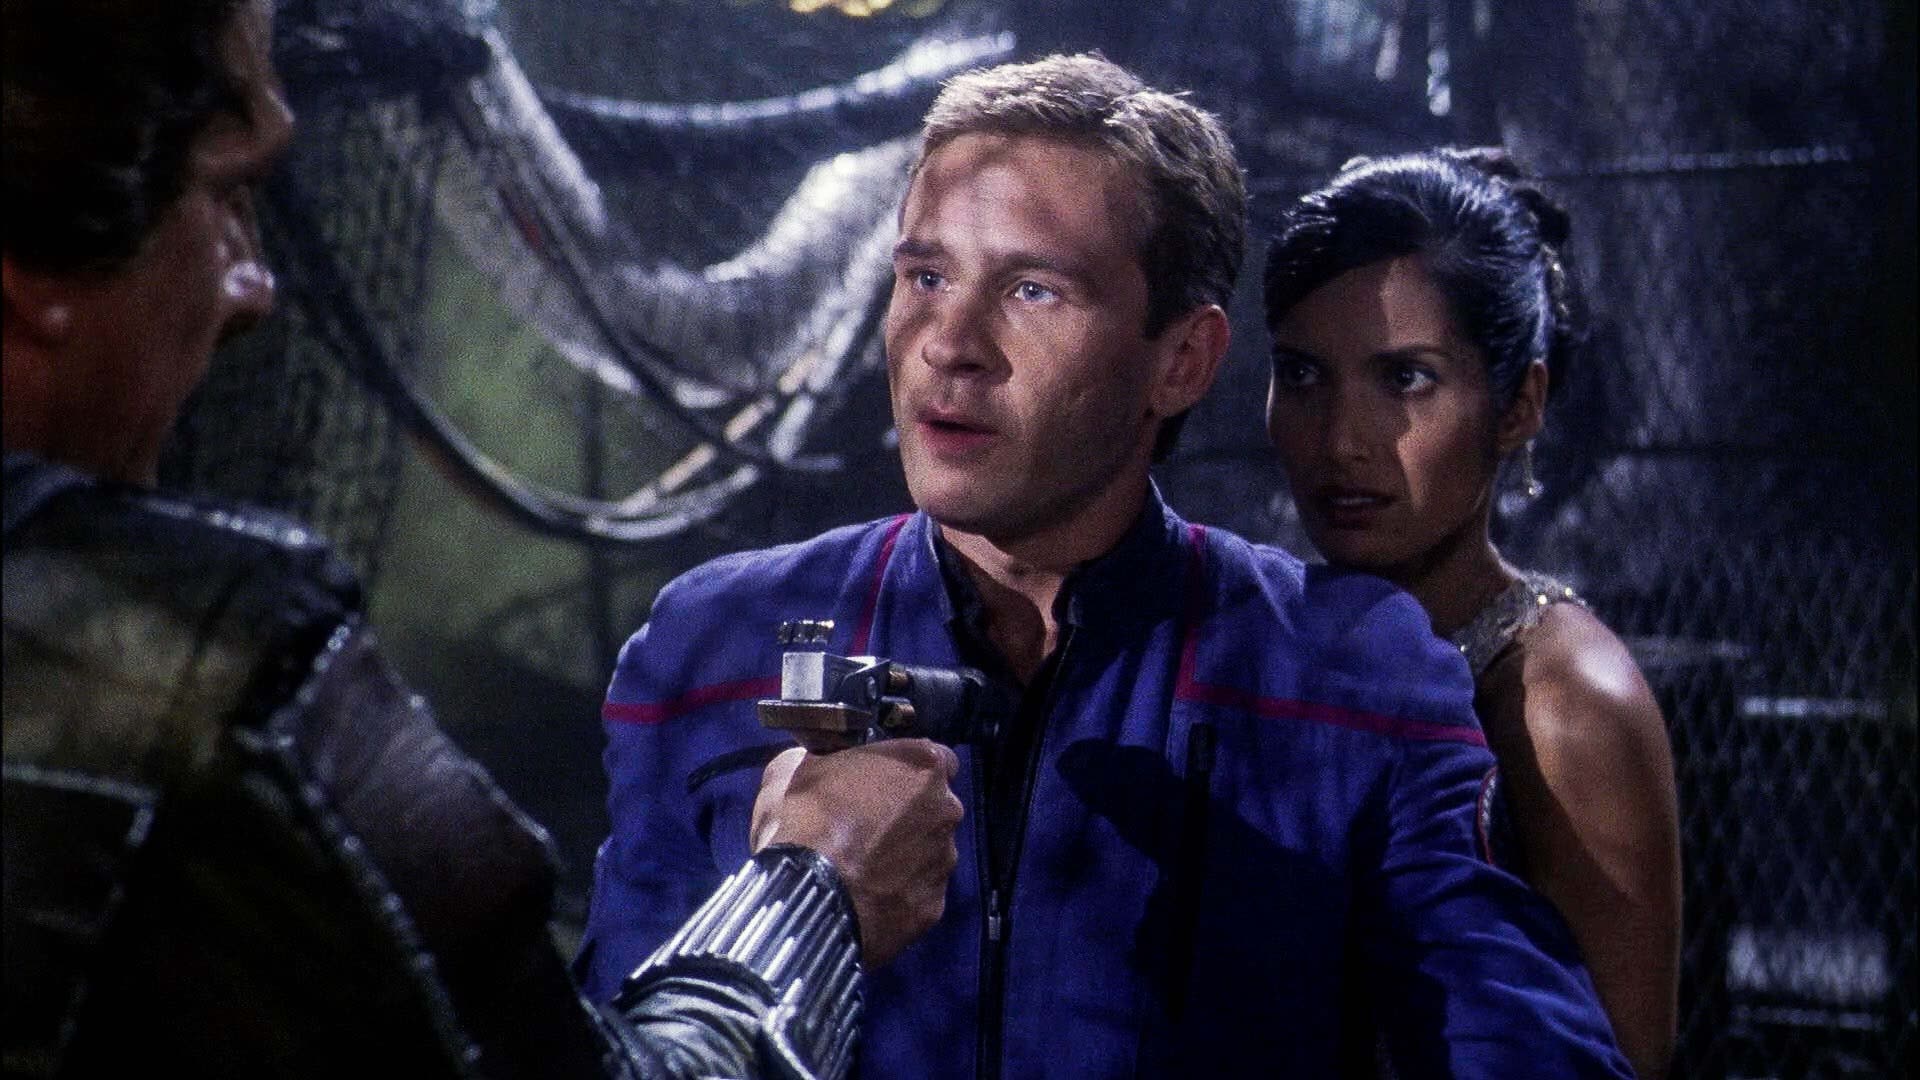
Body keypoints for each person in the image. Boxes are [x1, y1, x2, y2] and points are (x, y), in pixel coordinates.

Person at [580, 54, 1635, 1077]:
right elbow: (616, 1040)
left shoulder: (1353, 676)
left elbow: (1525, 1045)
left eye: (1033, 291)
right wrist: (799, 902)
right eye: (926, 276)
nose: (950, 343)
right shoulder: (712, 646)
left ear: (1181, 361)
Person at [0, 1, 963, 1076]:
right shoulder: (197, 658)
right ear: (30, 263)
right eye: (226, 195)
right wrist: (816, 887)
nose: (255, 286)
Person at [1262, 147, 1682, 1079]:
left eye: (1406, 379)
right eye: (1303, 375)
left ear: (1518, 403)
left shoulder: (1566, 704)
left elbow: (1621, 1057)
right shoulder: (1275, 641)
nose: (1342, 440)